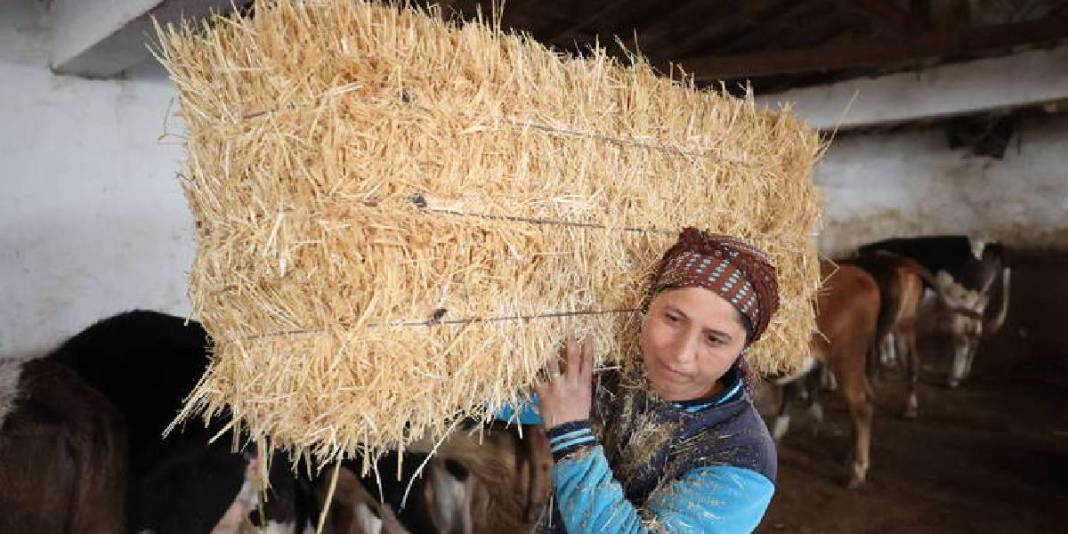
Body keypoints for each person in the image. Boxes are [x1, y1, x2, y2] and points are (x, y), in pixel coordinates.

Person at [500, 227, 779, 533]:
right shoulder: (615, 377)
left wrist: (571, 435)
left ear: (743, 348)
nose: (681, 354)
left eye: (714, 339)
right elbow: (503, 401)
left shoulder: (742, 460)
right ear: (647, 307)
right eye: (672, 319)